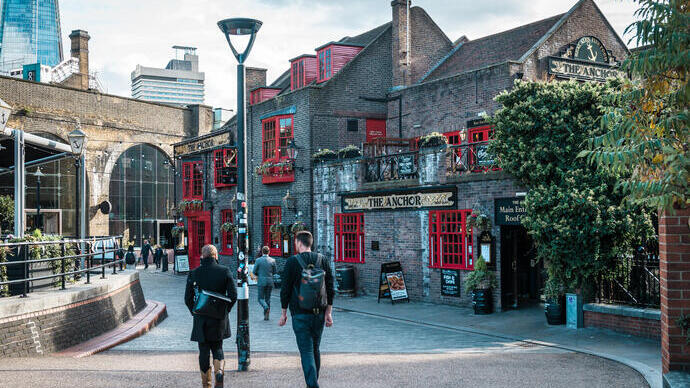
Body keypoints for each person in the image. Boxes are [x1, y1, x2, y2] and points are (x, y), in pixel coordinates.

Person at [279, 231, 334, 388]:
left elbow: (285, 290)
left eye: (296, 242)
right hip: (319, 313)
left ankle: (312, 385)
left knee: (306, 351)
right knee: (315, 348)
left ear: (299, 243)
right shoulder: (322, 260)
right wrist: (328, 312)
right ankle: (313, 381)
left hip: (300, 314)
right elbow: (330, 288)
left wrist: (284, 313)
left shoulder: (291, 262)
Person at [185, 244, 237, 388]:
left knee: (203, 351)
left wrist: (195, 312)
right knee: (218, 347)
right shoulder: (224, 271)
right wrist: (224, 311)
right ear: (216, 256)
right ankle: (219, 371)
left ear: (202, 256)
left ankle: (206, 384)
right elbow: (233, 295)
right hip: (218, 318)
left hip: (201, 318)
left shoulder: (194, 273)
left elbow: (187, 298)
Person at [253, 246, 277, 320]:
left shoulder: (258, 260)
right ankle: (266, 316)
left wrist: (259, 274)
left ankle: (265, 307)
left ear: (262, 252)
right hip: (270, 281)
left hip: (261, 281)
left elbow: (254, 271)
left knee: (260, 298)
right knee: (268, 299)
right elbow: (275, 271)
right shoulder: (273, 260)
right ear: (269, 252)